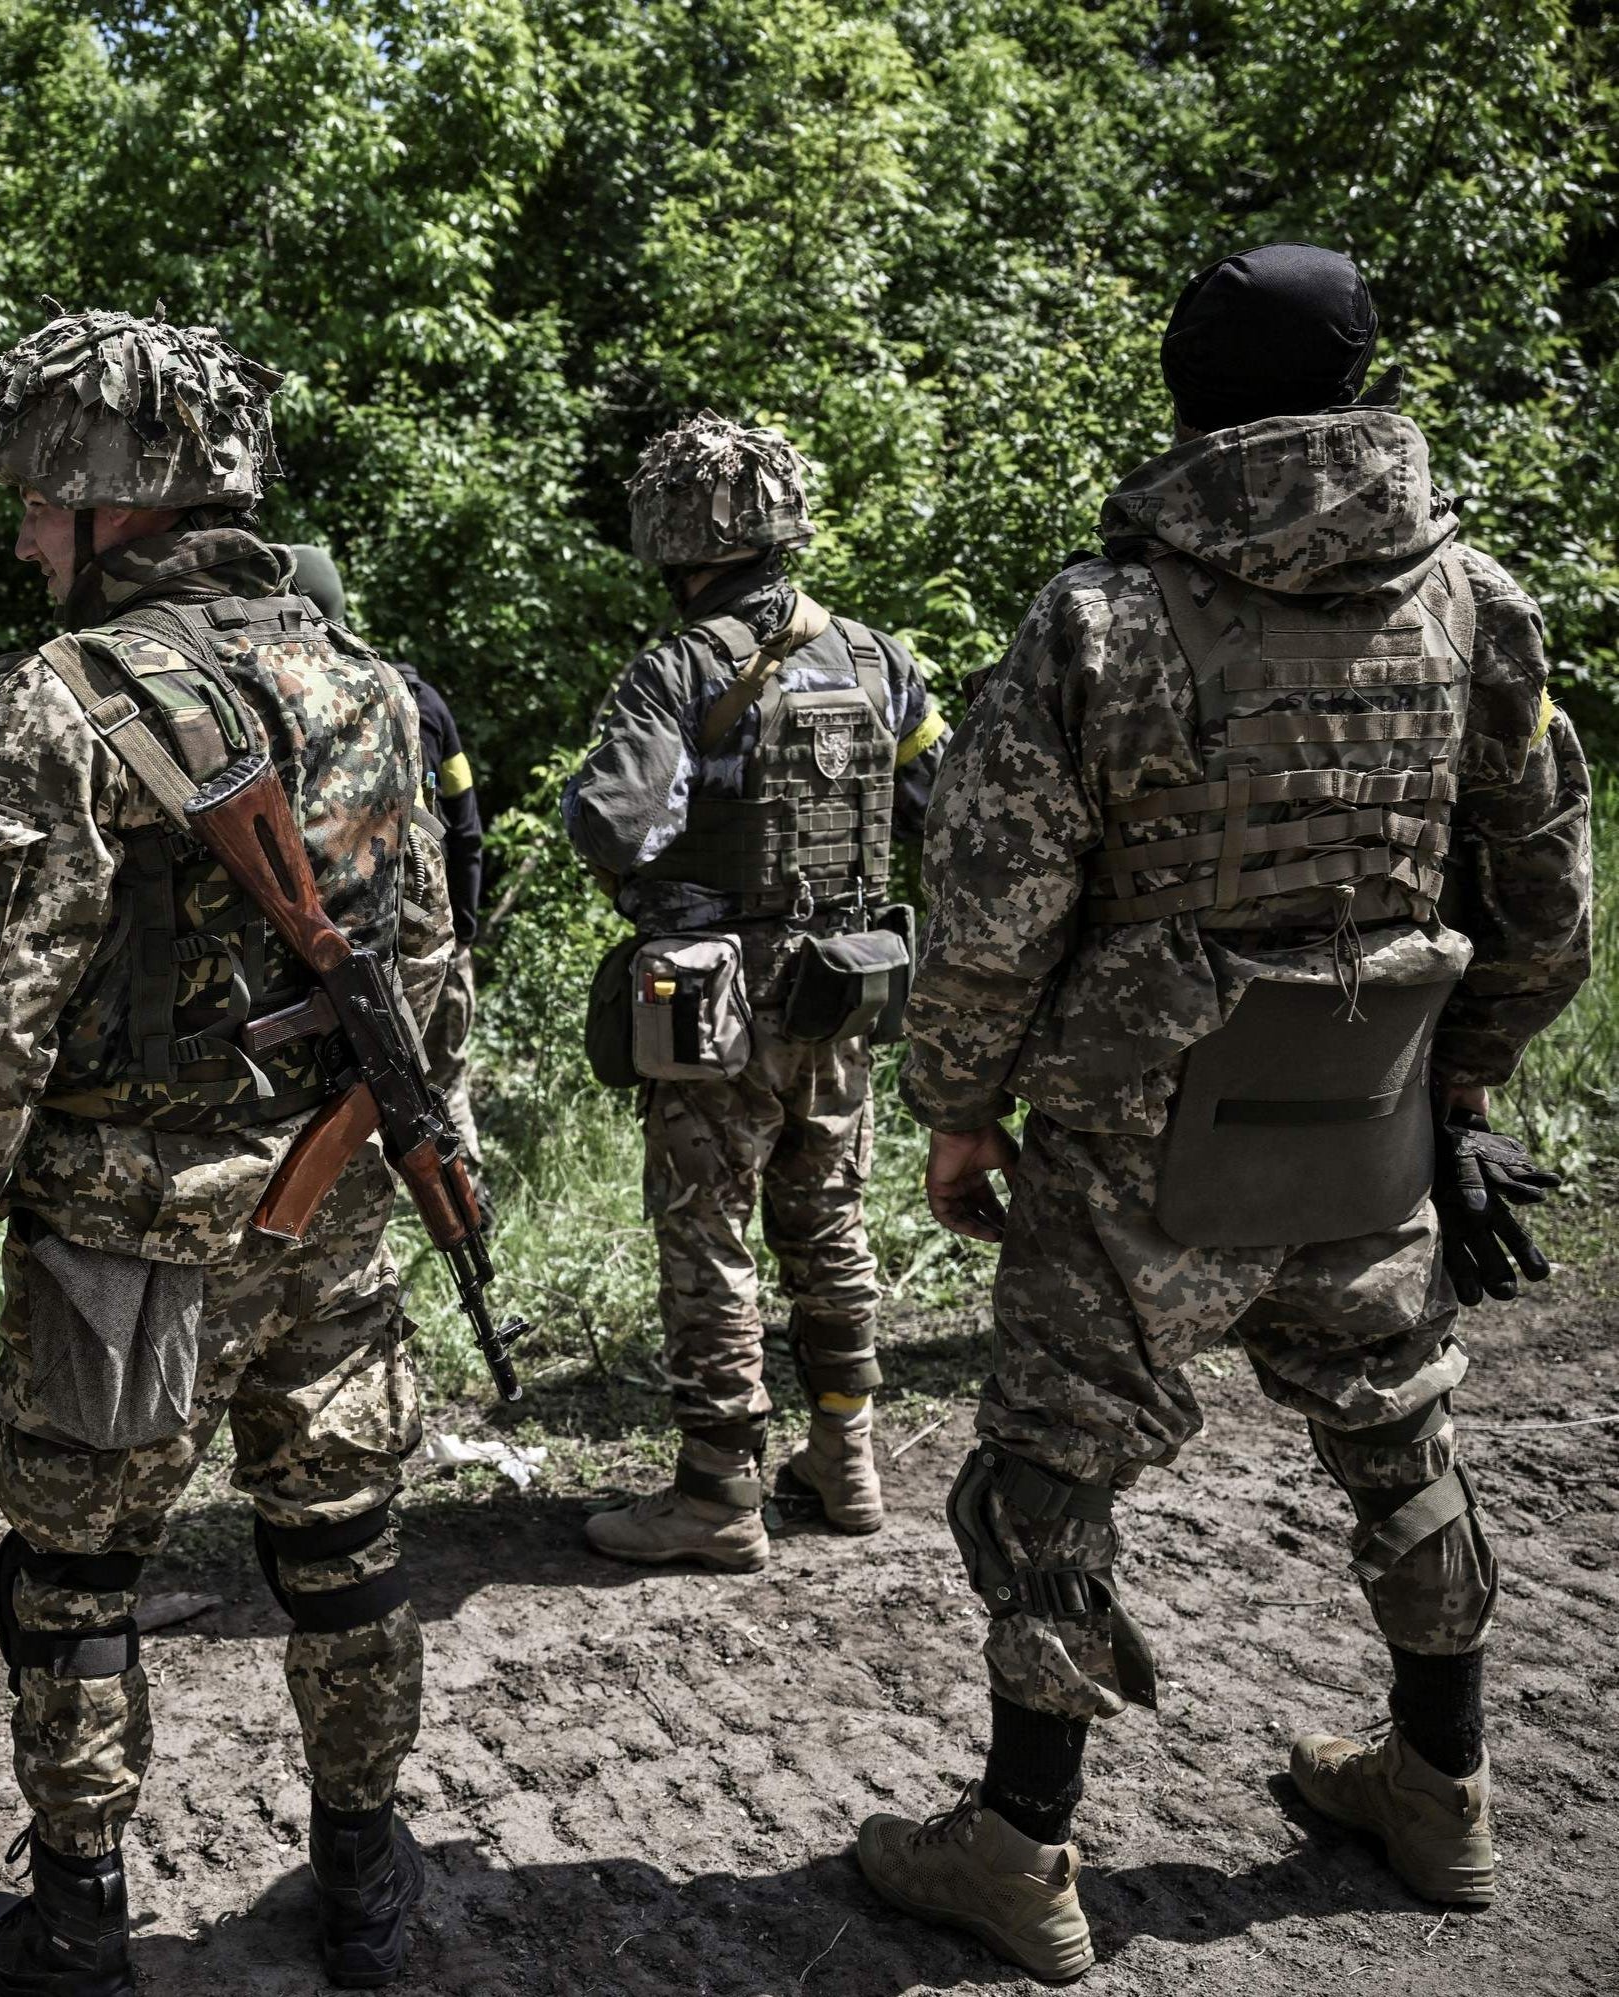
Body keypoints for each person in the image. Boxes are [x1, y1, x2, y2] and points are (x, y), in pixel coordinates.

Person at [854, 244, 1593, 1982]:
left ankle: (1022, 1848)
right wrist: (1457, 1069)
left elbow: (990, 905)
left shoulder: (1099, 617)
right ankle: (1441, 1788)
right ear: (1358, 386)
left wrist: (958, 1108)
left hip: (1131, 1135)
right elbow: (1549, 886)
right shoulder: (1474, 600)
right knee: (1398, 1433)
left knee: (1048, 1470)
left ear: (1185, 397)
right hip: (1366, 1101)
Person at [0, 307, 451, 1996]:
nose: (18, 534)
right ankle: (370, 1892)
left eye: (35, 502)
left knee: (72, 1574)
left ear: (110, 494)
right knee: (340, 1538)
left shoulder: (54, 705)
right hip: (331, 1209)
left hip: (120, 1244)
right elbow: (425, 964)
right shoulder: (366, 686)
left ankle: (77, 1929)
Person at [562, 414, 944, 1572]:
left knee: (709, 1234)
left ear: (671, 538)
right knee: (828, 1224)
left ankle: (718, 1490)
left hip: (709, 1001)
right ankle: (847, 1457)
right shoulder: (878, 660)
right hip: (844, 989)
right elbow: (946, 814)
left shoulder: (675, 670)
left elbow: (612, 823)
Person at [282, 544, 489, 1203]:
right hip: (427, 940)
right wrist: (465, 932)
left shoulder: (279, 704)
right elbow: (466, 826)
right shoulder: (409, 696)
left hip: (351, 951)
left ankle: (444, 1211)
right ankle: (459, 1204)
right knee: (438, 1088)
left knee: (371, 1101)